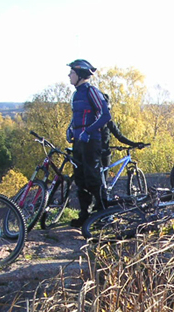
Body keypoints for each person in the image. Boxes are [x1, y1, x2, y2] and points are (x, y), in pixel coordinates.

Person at [65, 59, 111, 228]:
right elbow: (76, 116)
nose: (69, 75)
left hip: (91, 142)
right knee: (80, 178)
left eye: (72, 73)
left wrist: (88, 131)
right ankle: (85, 214)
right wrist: (70, 129)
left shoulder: (92, 91)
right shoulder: (76, 94)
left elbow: (105, 116)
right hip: (79, 141)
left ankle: (104, 214)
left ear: (80, 74)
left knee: (93, 178)